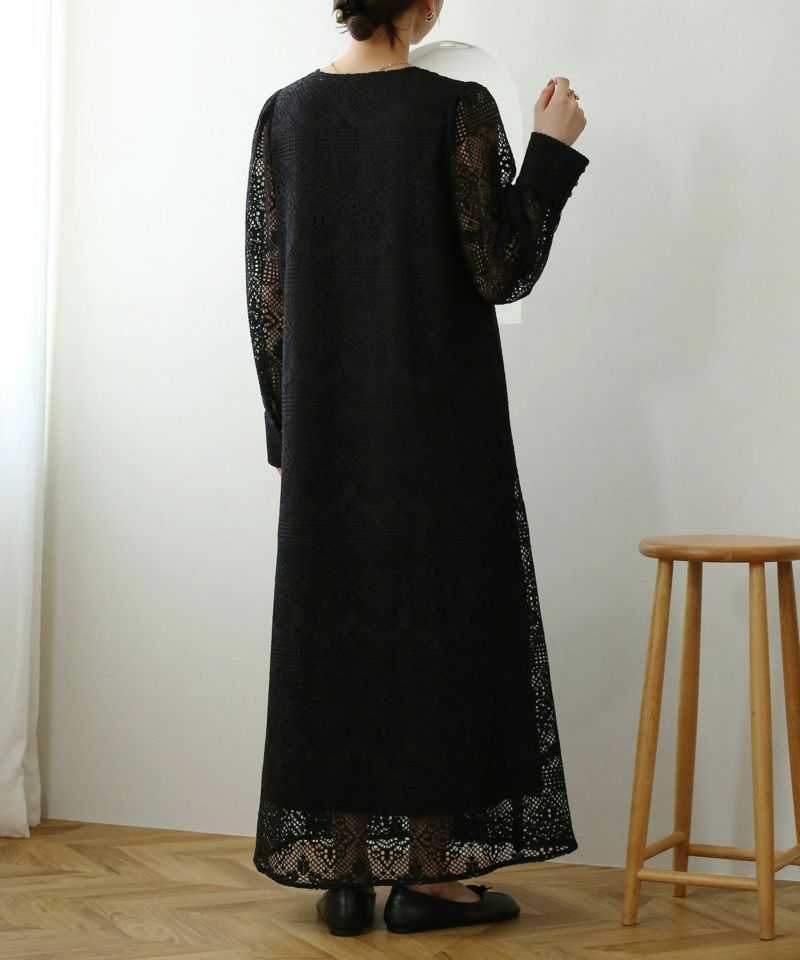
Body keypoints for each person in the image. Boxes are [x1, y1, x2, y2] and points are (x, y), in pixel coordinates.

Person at [244, 0, 590, 938]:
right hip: (441, 429)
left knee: (340, 634)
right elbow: (502, 268)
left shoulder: (284, 116)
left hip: (328, 436)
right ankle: (428, 882)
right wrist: (551, 151)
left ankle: (345, 872)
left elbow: (267, 294)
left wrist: (290, 438)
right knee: (439, 631)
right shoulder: (455, 109)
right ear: (424, 5)